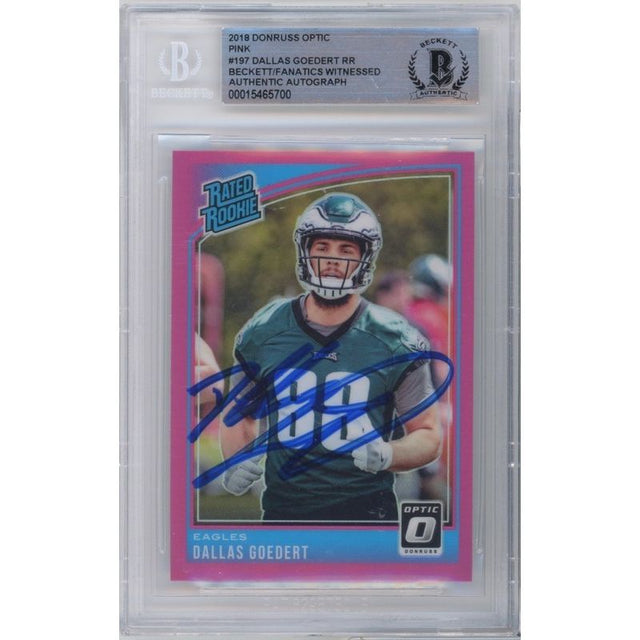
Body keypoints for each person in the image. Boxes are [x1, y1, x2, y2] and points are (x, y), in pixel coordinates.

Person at [218, 193, 443, 522]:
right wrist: (235, 458)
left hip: (368, 517)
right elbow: (237, 415)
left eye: (346, 250)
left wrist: (388, 454)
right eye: (322, 247)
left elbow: (428, 433)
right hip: (285, 519)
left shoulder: (395, 338)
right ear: (305, 252)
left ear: (365, 257)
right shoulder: (264, 331)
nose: (333, 259)